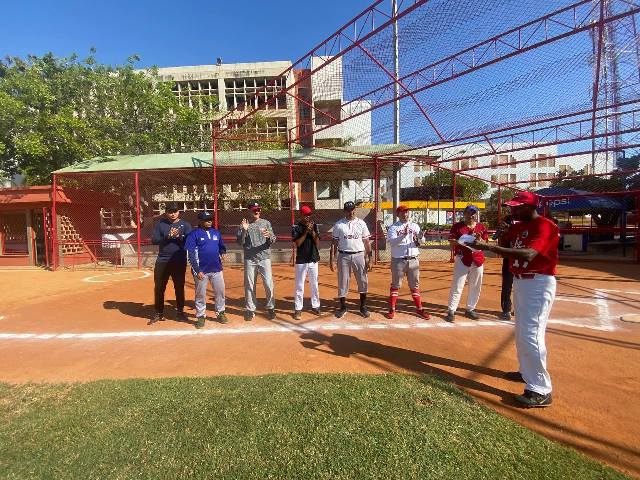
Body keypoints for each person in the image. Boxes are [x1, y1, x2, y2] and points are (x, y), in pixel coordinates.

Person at [468, 191, 559, 408]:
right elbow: (505, 248)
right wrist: (501, 233)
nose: (513, 210)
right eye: (512, 206)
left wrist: (488, 247)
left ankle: (540, 389)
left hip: (538, 282)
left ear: (531, 207)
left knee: (531, 334)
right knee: (522, 331)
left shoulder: (545, 226)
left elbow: (528, 254)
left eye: (518, 207)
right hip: (520, 282)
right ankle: (527, 371)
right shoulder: (518, 226)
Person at [150, 201, 192, 325]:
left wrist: (179, 236)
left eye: (175, 211)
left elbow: (190, 241)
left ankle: (180, 312)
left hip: (179, 260)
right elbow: (154, 240)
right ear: (166, 212)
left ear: (179, 212)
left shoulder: (185, 225)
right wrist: (168, 236)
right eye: (170, 211)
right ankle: (158, 313)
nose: (173, 214)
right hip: (163, 259)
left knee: (179, 286)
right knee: (159, 287)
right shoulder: (160, 224)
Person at [385, 205, 430, 320]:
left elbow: (420, 243)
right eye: (402, 212)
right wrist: (403, 235)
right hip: (398, 260)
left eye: (406, 212)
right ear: (398, 215)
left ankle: (419, 309)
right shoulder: (393, 228)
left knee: (415, 286)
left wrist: (421, 237)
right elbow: (392, 243)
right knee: (396, 285)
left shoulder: (414, 226)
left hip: (413, 259)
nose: (405, 214)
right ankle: (392, 310)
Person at [446, 205, 488, 322]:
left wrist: (480, 240)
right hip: (463, 258)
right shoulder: (457, 227)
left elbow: (485, 242)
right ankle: (451, 310)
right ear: (464, 214)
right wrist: (461, 242)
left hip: (478, 259)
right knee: (458, 285)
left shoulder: (481, 227)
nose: (472, 215)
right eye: (469, 212)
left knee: (476, 285)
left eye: (474, 213)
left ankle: (470, 309)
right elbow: (451, 242)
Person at [329, 201, 372, 318]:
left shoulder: (361, 223)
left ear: (355, 210)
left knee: (363, 281)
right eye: (348, 210)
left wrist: (370, 257)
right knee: (343, 281)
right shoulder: (339, 225)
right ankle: (343, 307)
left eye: (352, 209)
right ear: (344, 211)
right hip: (343, 256)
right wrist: (332, 260)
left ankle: (363, 306)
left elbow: (367, 242)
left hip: (359, 255)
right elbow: (334, 243)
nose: (350, 212)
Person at [186, 211, 227, 329]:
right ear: (200, 221)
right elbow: (191, 254)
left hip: (216, 269)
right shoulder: (194, 234)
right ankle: (200, 316)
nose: (210, 221)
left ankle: (221, 312)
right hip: (201, 271)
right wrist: (196, 270)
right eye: (207, 219)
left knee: (220, 292)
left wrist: (223, 252)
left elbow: (221, 247)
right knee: (200, 294)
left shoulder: (216, 233)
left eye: (211, 219)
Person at [237, 201, 277, 321]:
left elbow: (273, 239)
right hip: (250, 259)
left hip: (264, 258)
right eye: (254, 210)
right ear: (249, 211)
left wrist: (269, 235)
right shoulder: (244, 224)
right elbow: (240, 242)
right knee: (249, 284)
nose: (257, 211)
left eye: (258, 209)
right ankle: (250, 309)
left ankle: (270, 307)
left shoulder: (266, 223)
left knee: (269, 284)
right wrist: (244, 230)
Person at [292, 205, 321, 320]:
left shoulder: (315, 225)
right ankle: (298, 308)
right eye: (306, 215)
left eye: (309, 214)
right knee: (299, 286)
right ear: (301, 215)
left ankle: (316, 305)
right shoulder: (296, 227)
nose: (308, 217)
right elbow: (298, 243)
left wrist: (312, 231)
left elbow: (317, 242)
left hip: (313, 258)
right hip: (301, 260)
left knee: (314, 284)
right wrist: (305, 232)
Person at [495, 215, 515, 320]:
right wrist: (504, 232)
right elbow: (502, 245)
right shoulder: (506, 219)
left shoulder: (524, 221)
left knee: (522, 287)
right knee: (507, 286)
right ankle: (506, 309)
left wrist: (511, 229)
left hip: (522, 260)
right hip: (508, 259)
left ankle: (519, 308)